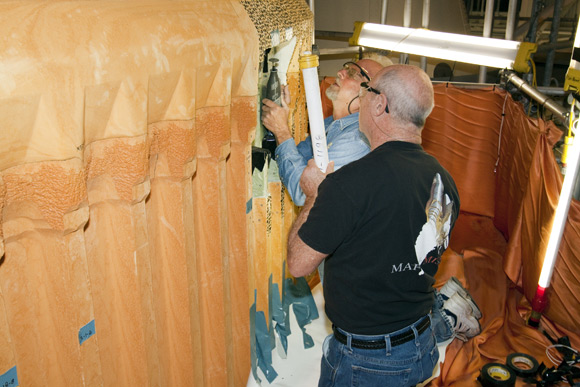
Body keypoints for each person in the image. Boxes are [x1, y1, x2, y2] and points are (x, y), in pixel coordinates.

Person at [286, 65, 472, 386]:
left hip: (366, 363)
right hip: (422, 346)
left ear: (380, 104)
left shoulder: (349, 183)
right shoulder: (444, 180)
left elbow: (298, 264)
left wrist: (314, 195)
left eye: (366, 92)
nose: (360, 97)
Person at [261, 58, 384, 207]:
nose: (340, 72)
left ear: (369, 93)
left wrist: (281, 131)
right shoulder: (330, 124)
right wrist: (280, 117)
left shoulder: (356, 141)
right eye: (345, 67)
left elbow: (304, 194)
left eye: (352, 73)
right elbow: (298, 158)